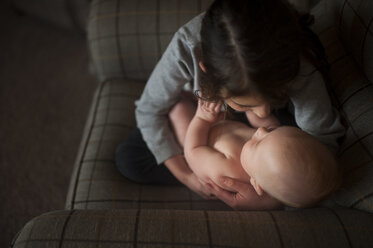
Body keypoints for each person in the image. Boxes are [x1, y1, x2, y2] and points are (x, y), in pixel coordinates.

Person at [116, 0, 346, 209]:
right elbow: (148, 111)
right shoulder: (187, 46)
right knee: (130, 158)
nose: (264, 115)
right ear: (207, 72)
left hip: (259, 136)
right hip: (206, 111)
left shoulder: (294, 57)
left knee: (292, 158)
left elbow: (322, 148)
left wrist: (275, 195)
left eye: (275, 96)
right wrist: (187, 175)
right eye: (246, 105)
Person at [168, 95, 340, 210]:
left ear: (256, 184)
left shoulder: (228, 170)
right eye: (272, 133)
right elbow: (262, 122)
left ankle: (178, 104)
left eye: (258, 143)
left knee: (179, 110)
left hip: (198, 137)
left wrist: (201, 120)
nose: (261, 132)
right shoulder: (268, 154)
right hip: (224, 122)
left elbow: (193, 151)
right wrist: (249, 106)